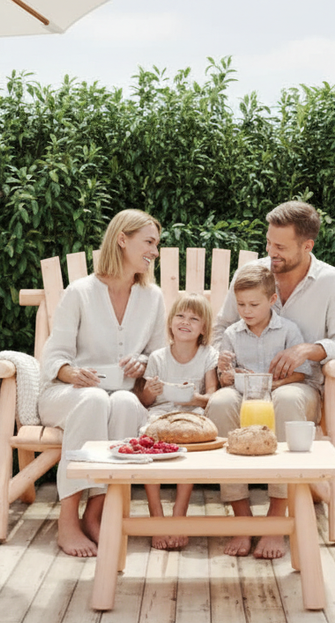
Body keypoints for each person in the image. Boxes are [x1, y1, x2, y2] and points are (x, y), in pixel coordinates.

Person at [207, 200, 335, 559]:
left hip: (300, 386)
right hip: (244, 385)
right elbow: (220, 328)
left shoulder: (333, 283)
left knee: (287, 401)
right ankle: (243, 519)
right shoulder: (252, 273)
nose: (270, 253)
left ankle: (277, 520)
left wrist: (309, 349)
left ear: (307, 246)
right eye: (269, 243)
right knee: (219, 404)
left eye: (280, 247)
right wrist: (223, 359)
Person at [37, 209, 167, 557]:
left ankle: (97, 514)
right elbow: (53, 357)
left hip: (120, 393)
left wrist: (144, 363)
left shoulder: (152, 297)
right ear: (122, 239)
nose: (154, 252)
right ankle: (67, 520)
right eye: (149, 242)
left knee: (125, 403)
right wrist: (72, 373)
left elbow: (158, 355)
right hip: (69, 394)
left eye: (156, 244)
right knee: (94, 400)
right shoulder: (80, 292)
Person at [138, 293, 219, 550]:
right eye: (180, 316)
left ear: (203, 328)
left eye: (194, 318)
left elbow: (212, 397)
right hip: (159, 414)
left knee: (190, 447)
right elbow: (147, 401)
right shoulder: (158, 358)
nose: (186, 322)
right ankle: (156, 515)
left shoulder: (208, 355)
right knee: (147, 439)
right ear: (171, 322)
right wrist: (151, 389)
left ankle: (180, 513)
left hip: (194, 415)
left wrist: (193, 398)